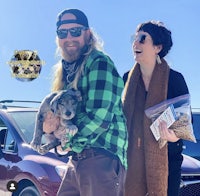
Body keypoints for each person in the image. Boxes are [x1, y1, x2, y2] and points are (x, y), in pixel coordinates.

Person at [45, 8, 128, 196]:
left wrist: (63, 141)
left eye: (75, 31)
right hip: (78, 159)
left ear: (88, 34)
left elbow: (98, 119)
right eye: (62, 32)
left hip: (101, 159)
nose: (69, 37)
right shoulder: (67, 71)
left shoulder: (99, 63)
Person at [122, 21, 189, 196]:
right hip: (131, 162)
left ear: (158, 47)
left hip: (167, 162)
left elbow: (185, 123)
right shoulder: (126, 80)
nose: (135, 43)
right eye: (134, 38)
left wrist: (173, 136)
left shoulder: (175, 79)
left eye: (142, 39)